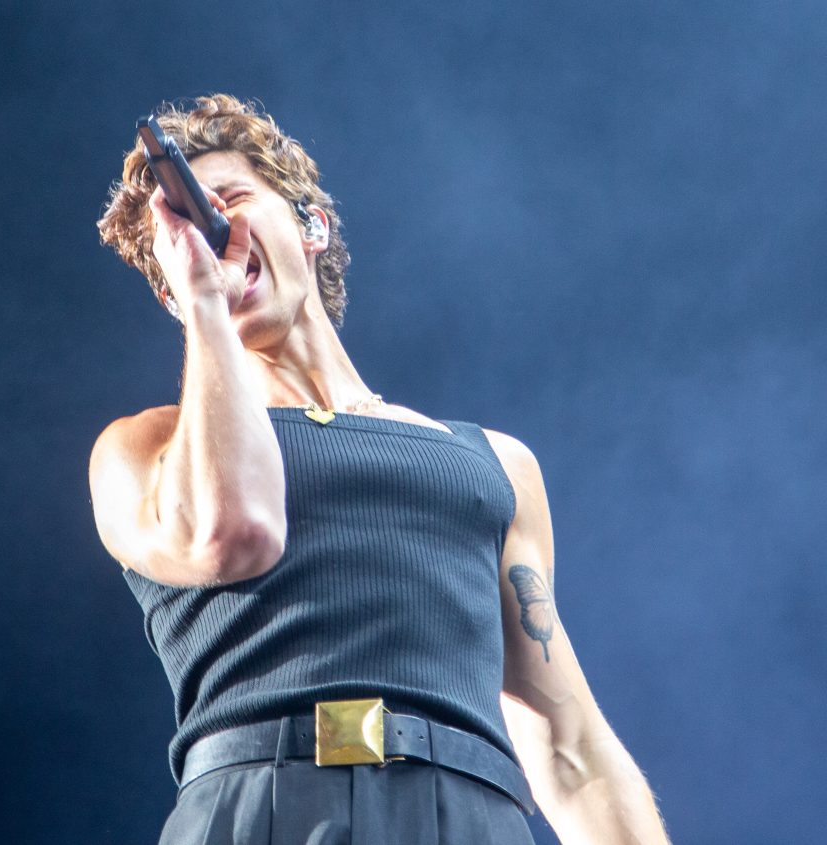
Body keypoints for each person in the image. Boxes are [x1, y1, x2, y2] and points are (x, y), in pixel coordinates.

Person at [91, 94, 671, 844]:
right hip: (255, 809)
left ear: (311, 225)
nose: (214, 229)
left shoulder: (491, 460)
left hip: (470, 814)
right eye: (189, 229)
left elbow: (571, 748)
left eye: (231, 200)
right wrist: (207, 301)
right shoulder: (144, 449)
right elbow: (232, 533)